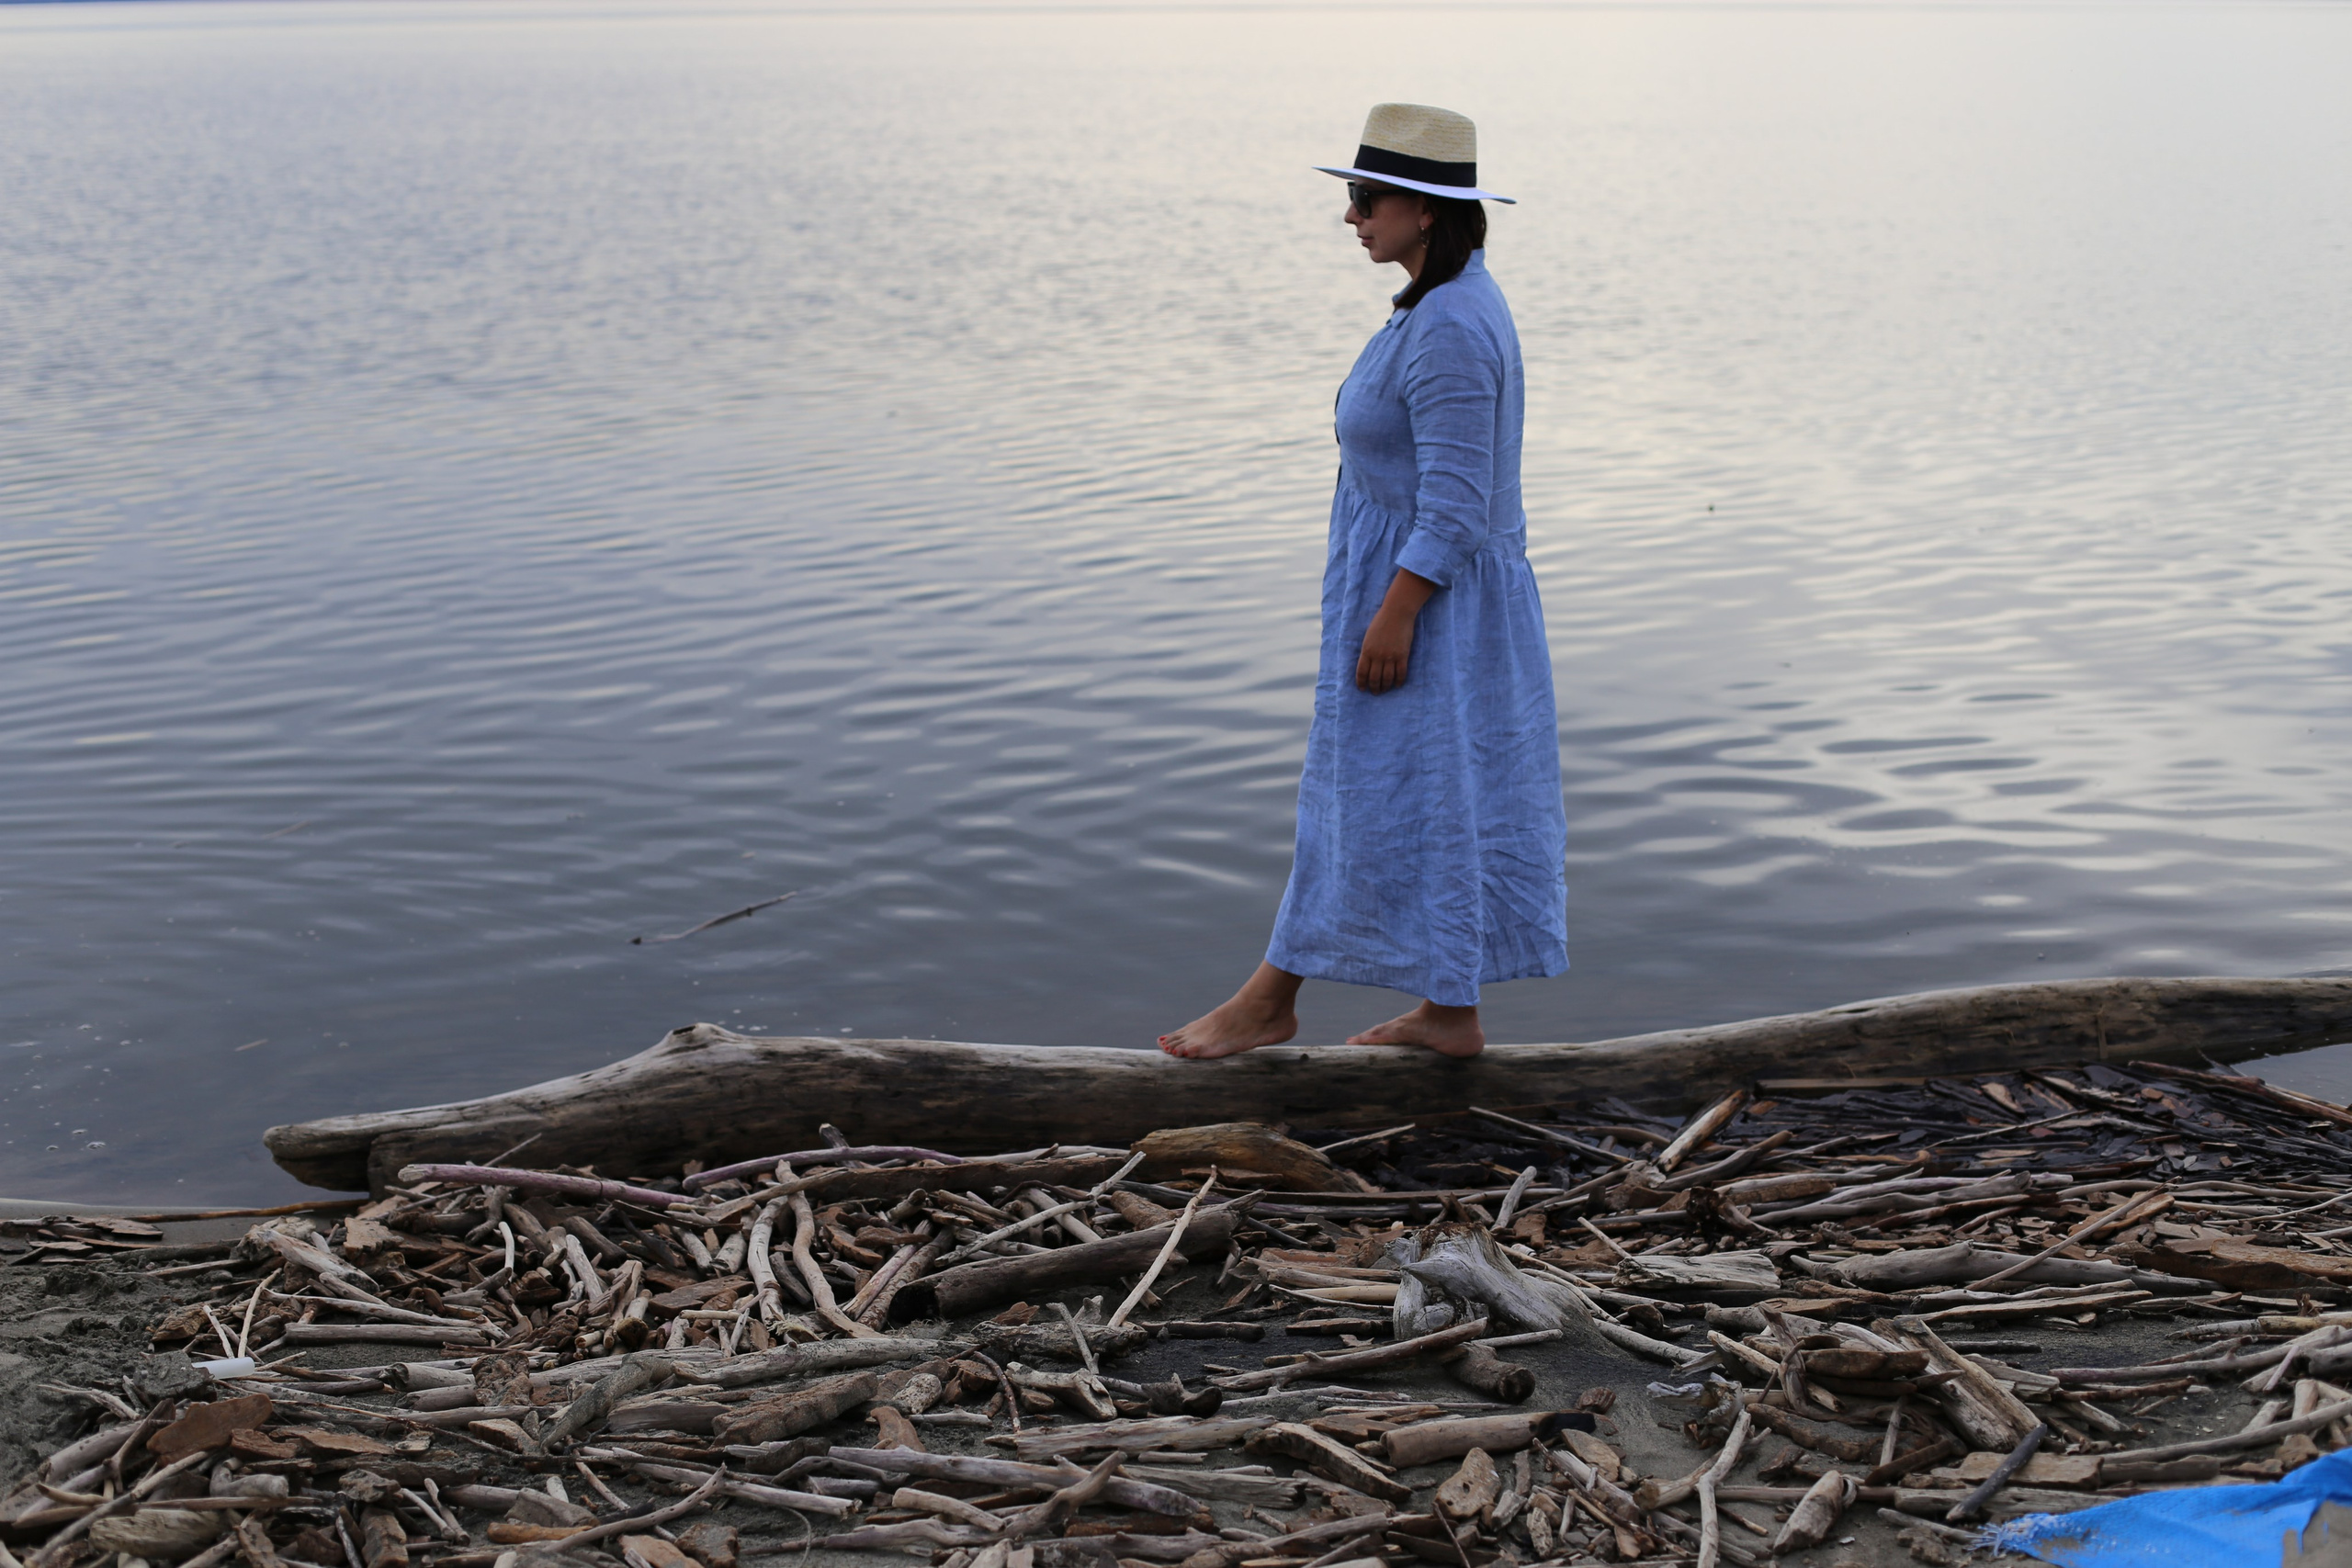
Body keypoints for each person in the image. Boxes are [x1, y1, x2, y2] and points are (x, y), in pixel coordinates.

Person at [1159, 104, 1568, 1062]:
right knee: (1429, 799)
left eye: (1365, 197)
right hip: (1427, 597)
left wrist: (1395, 615)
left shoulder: (1451, 325)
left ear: (1425, 210)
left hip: (1431, 606)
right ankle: (1448, 1010)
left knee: (1370, 797)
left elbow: (1457, 505)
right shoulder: (1438, 302)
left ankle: (1271, 999)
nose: (1350, 215)